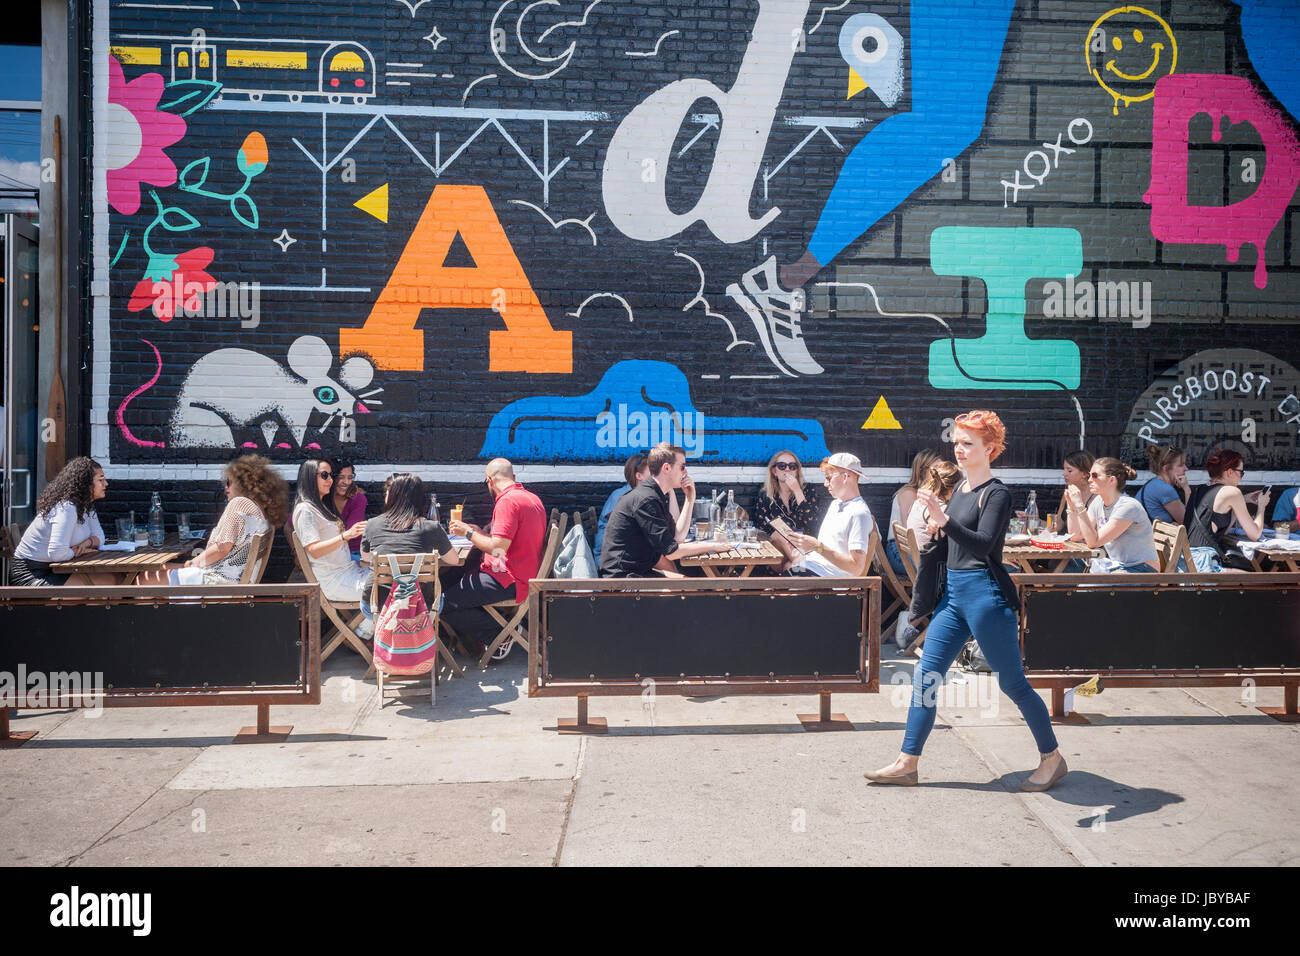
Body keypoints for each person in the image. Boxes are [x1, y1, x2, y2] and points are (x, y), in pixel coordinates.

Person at [865, 410, 1067, 791]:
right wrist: (935, 533)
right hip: (954, 597)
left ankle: (1052, 759)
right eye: (956, 442)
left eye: (967, 443)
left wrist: (944, 520)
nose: (958, 449)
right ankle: (907, 762)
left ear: (989, 448)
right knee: (925, 678)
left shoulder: (997, 494)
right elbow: (951, 544)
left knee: (1013, 684)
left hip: (986, 597)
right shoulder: (959, 489)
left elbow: (984, 545)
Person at [444, 458, 546, 658]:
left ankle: (499, 634)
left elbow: (498, 548)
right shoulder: (530, 498)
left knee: (443, 603)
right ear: (514, 477)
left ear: (489, 481)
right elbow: (509, 541)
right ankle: (488, 634)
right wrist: (480, 532)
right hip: (522, 572)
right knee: (454, 579)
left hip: (511, 579)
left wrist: (467, 533)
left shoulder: (507, 502)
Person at [137, 455, 288, 586]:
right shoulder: (259, 511)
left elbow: (222, 547)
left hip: (218, 580)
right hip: (229, 578)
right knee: (160, 568)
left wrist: (191, 564)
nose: (225, 487)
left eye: (229, 481)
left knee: (144, 579)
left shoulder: (239, 503)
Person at [599, 443, 731, 577]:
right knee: (690, 591)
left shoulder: (654, 495)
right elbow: (672, 553)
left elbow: (677, 537)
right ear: (666, 468)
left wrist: (690, 499)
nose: (685, 472)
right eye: (682, 467)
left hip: (638, 572)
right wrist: (713, 546)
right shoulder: (646, 499)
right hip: (622, 579)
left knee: (692, 587)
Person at [292, 459, 374, 630]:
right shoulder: (305, 510)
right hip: (336, 582)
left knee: (396, 579)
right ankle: (361, 634)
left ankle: (364, 633)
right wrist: (345, 536)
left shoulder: (321, 505)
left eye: (330, 475)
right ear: (309, 477)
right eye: (324, 475)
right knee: (394, 587)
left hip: (348, 572)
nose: (330, 479)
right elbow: (314, 550)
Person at [361, 472, 463, 605]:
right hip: (422, 607)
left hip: (377, 605)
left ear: (391, 496)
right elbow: (454, 560)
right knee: (440, 595)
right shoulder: (431, 527)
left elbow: (366, 558)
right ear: (420, 498)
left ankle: (375, 626)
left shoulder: (372, 524)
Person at [11, 457, 115, 586]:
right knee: (108, 581)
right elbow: (57, 553)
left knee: (111, 578)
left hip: (56, 570)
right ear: (85, 483)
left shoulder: (86, 506)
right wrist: (79, 552)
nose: (106, 484)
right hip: (32, 576)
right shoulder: (67, 508)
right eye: (100, 480)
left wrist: (86, 543)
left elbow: (100, 536)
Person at [783, 453, 874, 578]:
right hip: (815, 570)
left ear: (845, 477)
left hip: (830, 581)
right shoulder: (836, 504)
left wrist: (817, 547)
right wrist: (805, 547)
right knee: (770, 586)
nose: (826, 484)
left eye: (829, 478)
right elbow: (829, 548)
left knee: (768, 592)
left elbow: (856, 568)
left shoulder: (859, 514)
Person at [1065, 458, 1159, 573]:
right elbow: (1076, 536)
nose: (1089, 480)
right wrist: (1071, 506)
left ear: (1111, 480)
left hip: (1142, 569)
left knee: (1090, 586)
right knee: (1070, 568)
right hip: (1118, 566)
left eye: (1095, 475)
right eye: (1089, 475)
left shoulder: (1128, 506)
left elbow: (1093, 542)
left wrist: (1079, 506)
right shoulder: (1099, 501)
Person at [1183, 449, 1270, 572]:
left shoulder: (1200, 489)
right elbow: (1255, 534)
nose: (1241, 477)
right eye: (1241, 473)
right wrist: (1262, 506)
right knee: (1260, 582)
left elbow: (1222, 531)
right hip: (1203, 565)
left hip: (1185, 562)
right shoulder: (1232, 492)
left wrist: (1243, 500)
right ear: (1229, 472)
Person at [752, 450, 827, 569]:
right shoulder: (766, 496)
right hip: (779, 549)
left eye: (792, 466)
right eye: (782, 466)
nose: (787, 469)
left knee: (788, 565)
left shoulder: (808, 491)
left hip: (806, 546)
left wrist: (797, 491)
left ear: (797, 471)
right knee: (777, 535)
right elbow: (761, 526)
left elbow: (814, 524)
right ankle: (802, 564)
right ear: (774, 471)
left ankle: (796, 565)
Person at [886, 450, 941, 576]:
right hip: (900, 551)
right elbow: (911, 533)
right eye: (936, 469)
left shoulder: (929, 495)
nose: (939, 473)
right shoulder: (909, 493)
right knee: (938, 570)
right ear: (922, 471)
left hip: (915, 550)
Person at [594, 454, 648, 564]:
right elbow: (621, 528)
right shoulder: (620, 496)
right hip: (609, 559)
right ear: (639, 475)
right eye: (651, 471)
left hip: (623, 555)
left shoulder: (642, 496)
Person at [1136, 444, 1189, 524]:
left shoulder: (1153, 484)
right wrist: (1187, 490)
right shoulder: (1165, 490)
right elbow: (1187, 521)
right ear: (1166, 468)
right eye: (1180, 465)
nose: (1186, 469)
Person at [330, 459, 367, 562]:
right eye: (341, 477)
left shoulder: (358, 499)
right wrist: (296, 552)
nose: (346, 482)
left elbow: (350, 533)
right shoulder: (321, 498)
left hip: (352, 552)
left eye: (350, 478)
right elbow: (289, 527)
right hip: (326, 553)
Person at [1052, 450, 1095, 529]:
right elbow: (1059, 524)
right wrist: (1033, 519)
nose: (1063, 473)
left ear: (1085, 474)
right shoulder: (1069, 491)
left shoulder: (1096, 497)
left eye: (1069, 470)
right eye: (1064, 469)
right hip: (1070, 540)